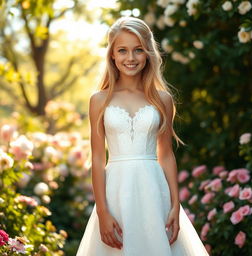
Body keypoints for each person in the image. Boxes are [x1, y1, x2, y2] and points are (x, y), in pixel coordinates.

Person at [76, 16, 209, 256]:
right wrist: (102, 212)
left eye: (138, 50)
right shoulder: (99, 100)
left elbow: (166, 155)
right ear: (112, 55)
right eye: (123, 50)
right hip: (116, 193)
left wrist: (175, 206)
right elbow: (97, 158)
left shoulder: (162, 99)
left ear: (148, 53)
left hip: (154, 193)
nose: (131, 58)